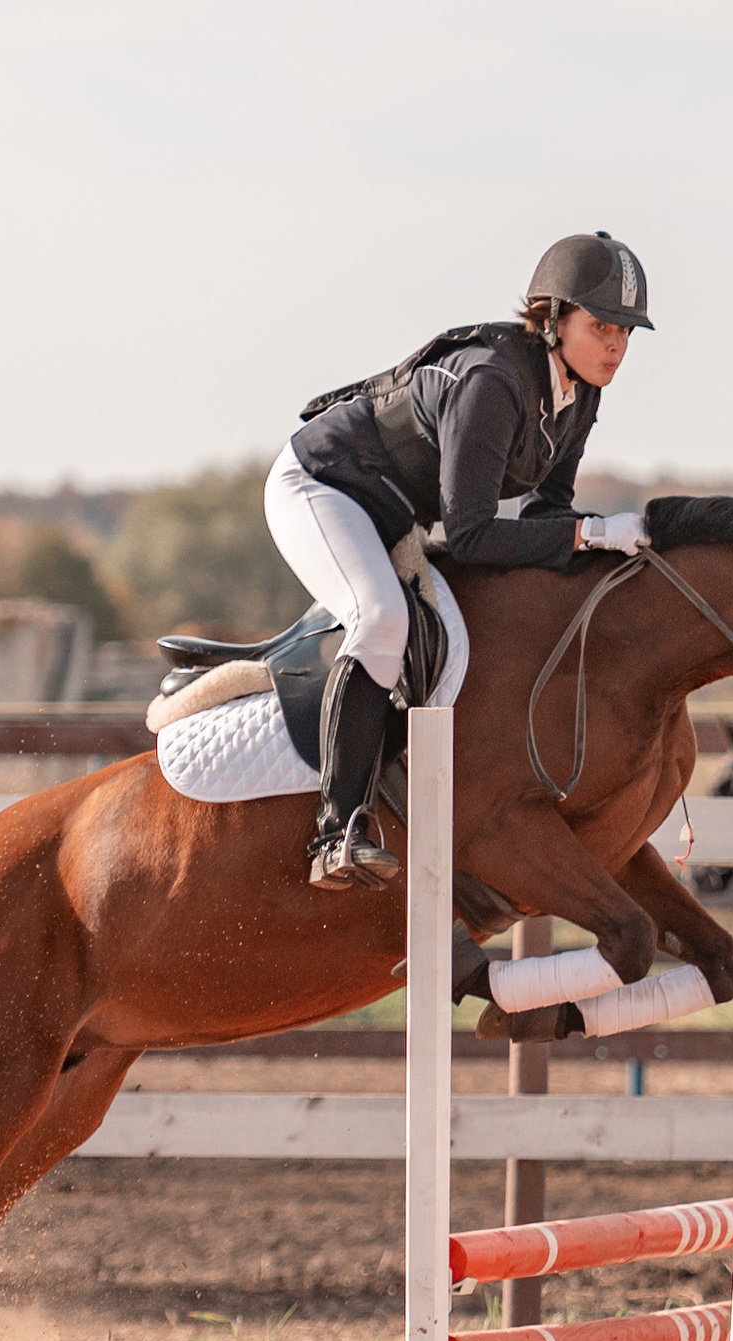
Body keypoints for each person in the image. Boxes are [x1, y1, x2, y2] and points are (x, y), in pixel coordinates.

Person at [277, 231, 654, 889]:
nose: (616, 345)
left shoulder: (581, 392)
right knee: (382, 618)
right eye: (601, 326)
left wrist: (613, 546)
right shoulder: (492, 383)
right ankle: (336, 834)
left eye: (625, 330)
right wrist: (593, 533)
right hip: (324, 485)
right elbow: (475, 535)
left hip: (396, 513)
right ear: (552, 318)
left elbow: (545, 515)